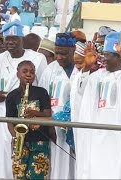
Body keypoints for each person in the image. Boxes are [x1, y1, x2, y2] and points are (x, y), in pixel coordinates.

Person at [0, 20, 47, 179]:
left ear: (23, 39)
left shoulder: (37, 58)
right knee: (0, 154)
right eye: (7, 39)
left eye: (15, 38)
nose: (11, 42)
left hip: (24, 113)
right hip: (1, 111)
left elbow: (43, 87)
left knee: (22, 154)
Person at [77, 31, 121, 179]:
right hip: (98, 137)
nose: (102, 59)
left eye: (107, 55)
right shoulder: (98, 76)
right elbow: (80, 90)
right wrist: (86, 68)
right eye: (102, 54)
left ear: (118, 57)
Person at [39, 32, 78, 179]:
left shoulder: (82, 68)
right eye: (57, 53)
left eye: (63, 54)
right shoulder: (50, 69)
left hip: (76, 126)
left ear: (73, 50)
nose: (59, 57)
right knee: (57, 166)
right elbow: (43, 99)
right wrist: (49, 125)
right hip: (54, 127)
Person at [6, 60, 54, 179]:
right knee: (19, 176)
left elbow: (47, 113)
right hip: (20, 143)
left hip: (40, 141)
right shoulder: (12, 96)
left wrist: (35, 113)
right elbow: (10, 121)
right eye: (25, 71)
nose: (29, 74)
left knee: (37, 175)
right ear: (17, 74)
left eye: (32, 72)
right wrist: (16, 138)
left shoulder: (41, 92)